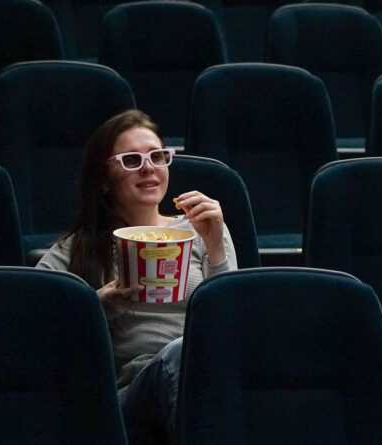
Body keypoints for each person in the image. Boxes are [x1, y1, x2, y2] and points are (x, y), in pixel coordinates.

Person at [36, 109, 237, 444]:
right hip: (131, 393)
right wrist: (95, 307)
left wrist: (215, 243)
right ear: (103, 179)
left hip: (208, 373)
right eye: (131, 160)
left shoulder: (201, 230)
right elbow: (38, 329)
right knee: (178, 354)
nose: (148, 167)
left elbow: (229, 319)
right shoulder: (76, 248)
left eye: (157, 156)